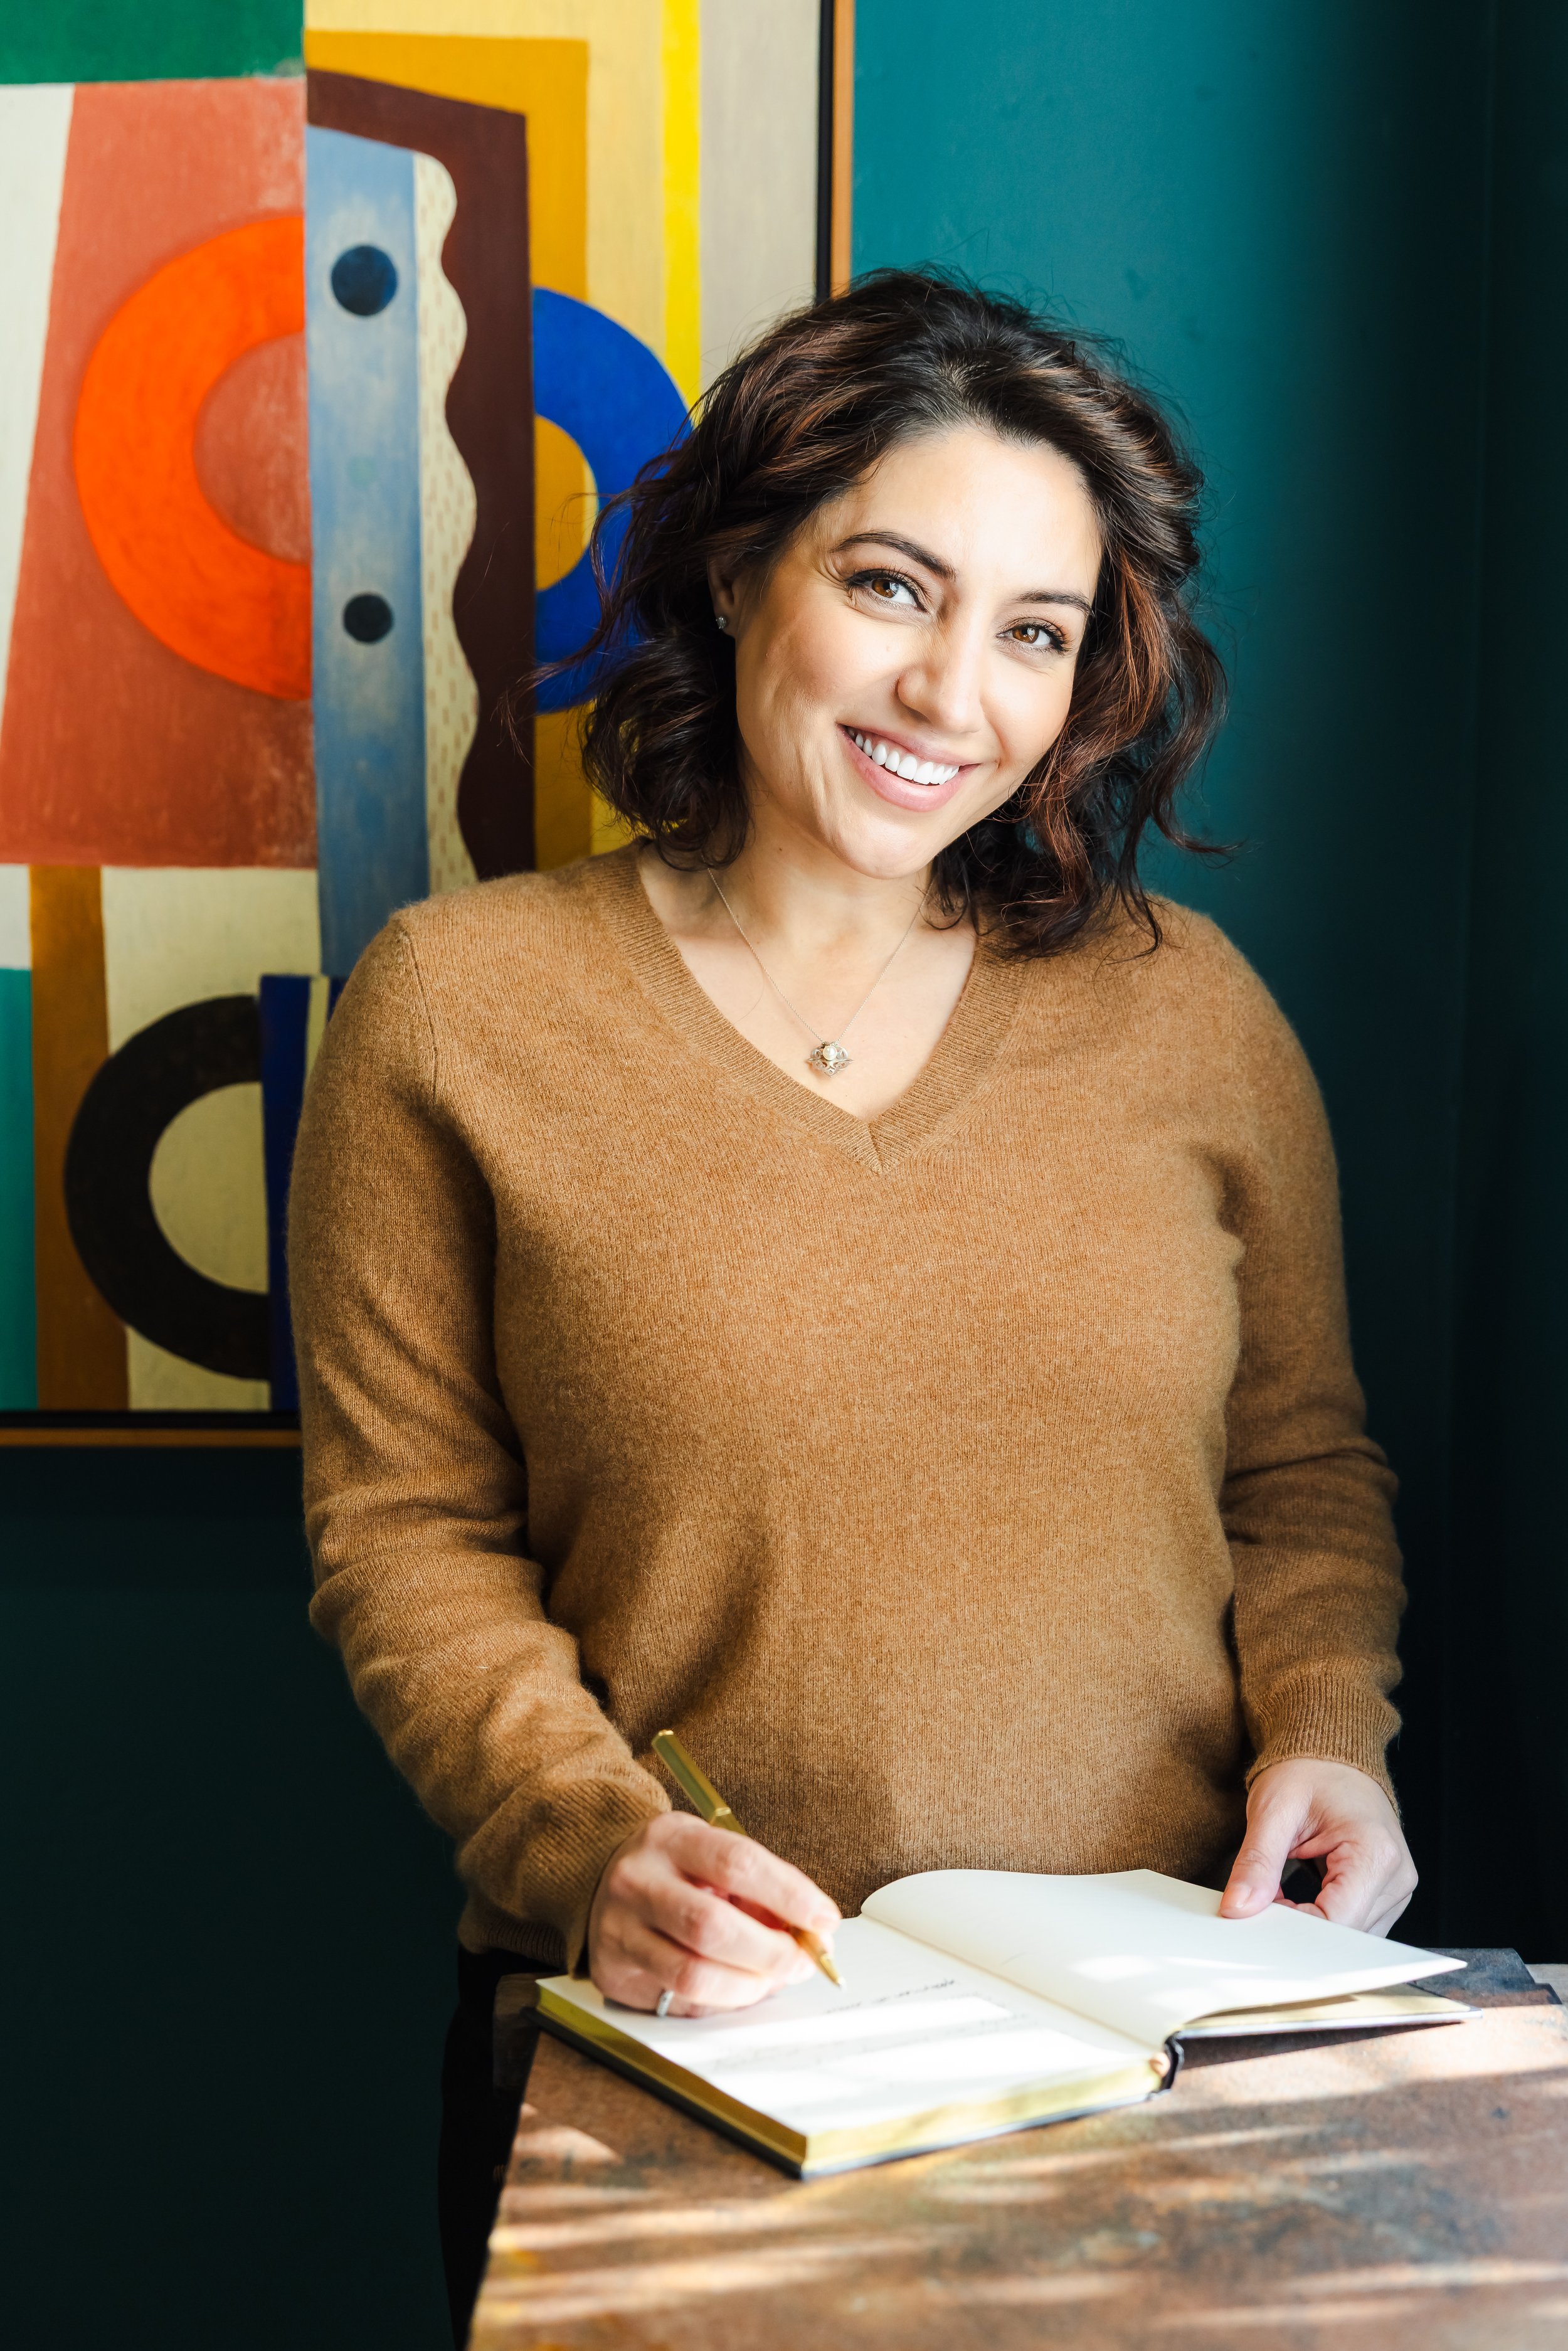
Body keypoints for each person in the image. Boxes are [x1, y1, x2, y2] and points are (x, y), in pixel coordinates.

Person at [288, 270, 1414, 2339]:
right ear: (736, 573)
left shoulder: (1191, 1017)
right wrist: (589, 1840)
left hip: (1165, 2055)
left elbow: (1299, 1468)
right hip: (675, 2050)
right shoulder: (456, 1008)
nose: (948, 693)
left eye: (1033, 633)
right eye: (891, 586)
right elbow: (407, 1534)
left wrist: (1332, 1731)